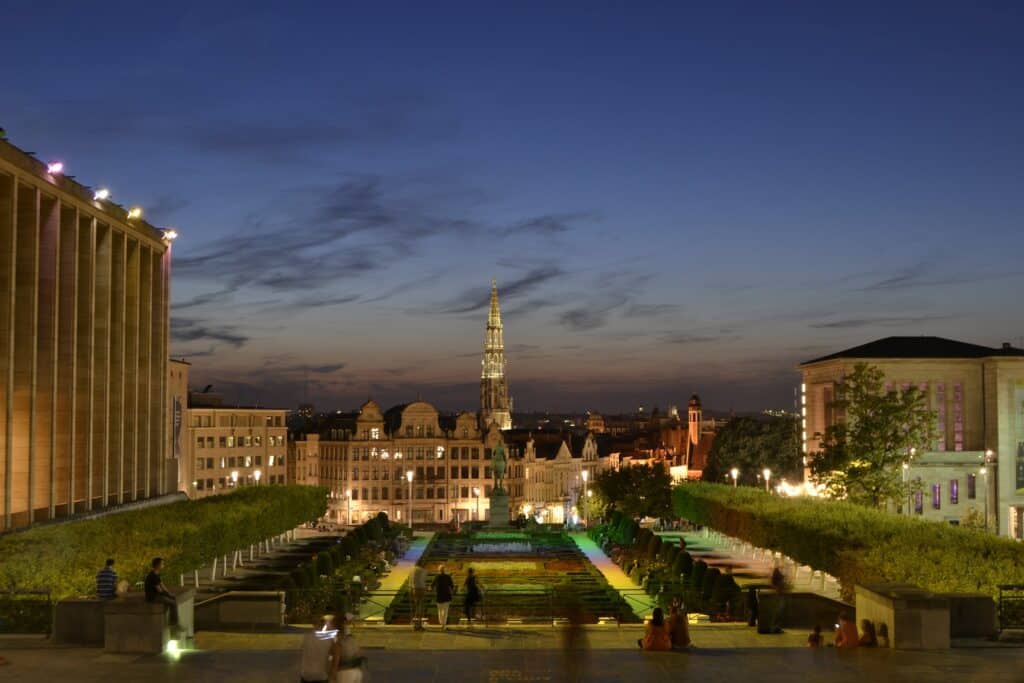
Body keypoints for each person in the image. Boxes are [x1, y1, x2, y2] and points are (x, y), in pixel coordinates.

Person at [300, 614, 339, 683]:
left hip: (306, 674)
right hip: (321, 675)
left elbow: (303, 650)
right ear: (324, 625)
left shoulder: (306, 637)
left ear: (313, 624)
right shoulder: (329, 638)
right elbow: (335, 654)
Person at [330, 614, 366, 683]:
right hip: (357, 671)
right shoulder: (351, 638)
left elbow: (336, 659)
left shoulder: (339, 640)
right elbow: (359, 652)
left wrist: (332, 674)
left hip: (345, 672)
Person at [144, 557, 178, 627]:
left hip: (157, 595)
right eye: (162, 564)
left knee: (173, 599)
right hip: (153, 597)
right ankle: (173, 623)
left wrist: (169, 593)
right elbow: (159, 590)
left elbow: (162, 585)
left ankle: (173, 621)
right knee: (173, 603)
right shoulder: (153, 576)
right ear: (157, 565)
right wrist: (168, 595)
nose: (163, 565)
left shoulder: (156, 574)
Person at [431, 565, 455, 629]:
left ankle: (441, 623)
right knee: (445, 611)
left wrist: (433, 591)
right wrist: (452, 593)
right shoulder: (448, 577)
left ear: (439, 570)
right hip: (447, 596)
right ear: (444, 570)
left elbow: (432, 586)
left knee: (440, 610)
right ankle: (443, 624)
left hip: (439, 596)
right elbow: (452, 586)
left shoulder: (437, 577)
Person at [410, 564, 427, 630]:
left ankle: (416, 625)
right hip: (421, 590)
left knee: (416, 607)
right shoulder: (423, 571)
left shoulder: (412, 571)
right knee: (420, 608)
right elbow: (423, 581)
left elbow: (411, 582)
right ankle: (418, 625)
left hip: (414, 590)